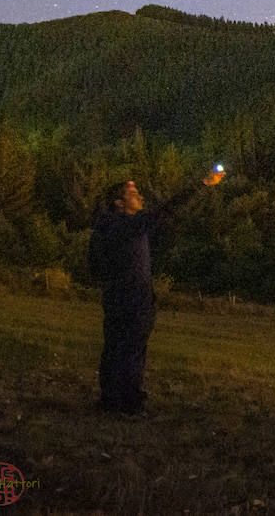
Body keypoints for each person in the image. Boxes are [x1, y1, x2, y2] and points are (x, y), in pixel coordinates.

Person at [88, 170, 223, 415]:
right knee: (132, 349)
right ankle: (129, 403)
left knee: (114, 347)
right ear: (119, 203)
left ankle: (110, 400)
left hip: (116, 297)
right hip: (133, 299)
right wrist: (201, 185)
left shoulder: (107, 227)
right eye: (132, 193)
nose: (139, 196)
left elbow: (94, 265)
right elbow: (166, 210)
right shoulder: (127, 225)